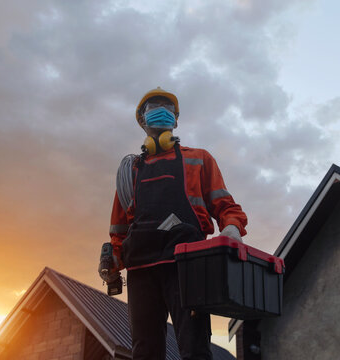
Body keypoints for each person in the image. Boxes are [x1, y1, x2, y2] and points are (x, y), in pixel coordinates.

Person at [100, 87, 248, 360]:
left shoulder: (199, 159)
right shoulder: (131, 171)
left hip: (187, 267)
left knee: (195, 350)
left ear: (176, 120)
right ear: (142, 121)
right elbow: (119, 230)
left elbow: (226, 207)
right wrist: (113, 261)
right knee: (144, 353)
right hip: (141, 270)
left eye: (167, 106)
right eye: (153, 106)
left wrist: (231, 228)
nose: (161, 109)